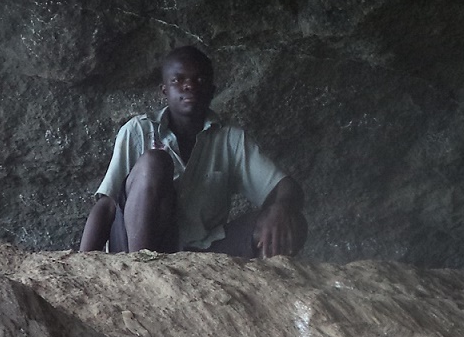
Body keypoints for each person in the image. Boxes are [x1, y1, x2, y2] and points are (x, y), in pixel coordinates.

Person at [79, 46, 307, 259]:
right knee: (155, 163)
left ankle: (249, 292)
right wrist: (83, 267)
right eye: (178, 80)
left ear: (212, 90)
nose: (189, 86)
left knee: (292, 223)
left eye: (199, 79)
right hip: (135, 251)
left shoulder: (231, 140)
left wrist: (282, 207)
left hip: (202, 253)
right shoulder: (138, 131)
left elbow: (285, 187)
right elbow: (106, 205)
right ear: (164, 91)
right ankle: (144, 275)